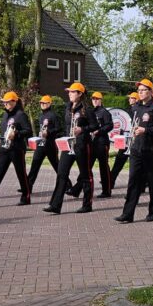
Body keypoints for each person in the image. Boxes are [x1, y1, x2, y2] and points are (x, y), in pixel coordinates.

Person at [117, 79, 153, 223]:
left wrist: (145, 130)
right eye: (139, 90)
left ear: (151, 91)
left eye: (144, 90)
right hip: (136, 149)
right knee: (133, 181)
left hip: (151, 150)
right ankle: (127, 214)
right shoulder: (136, 107)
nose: (140, 92)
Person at [44, 83, 95, 214]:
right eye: (69, 92)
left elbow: (95, 126)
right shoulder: (68, 107)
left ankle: (87, 205)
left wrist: (82, 129)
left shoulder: (87, 109)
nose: (69, 94)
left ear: (80, 94)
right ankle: (55, 205)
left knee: (85, 175)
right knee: (61, 173)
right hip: (68, 144)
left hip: (82, 145)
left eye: (72, 92)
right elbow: (66, 126)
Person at [26, 95, 64, 193]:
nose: (42, 104)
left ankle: (67, 185)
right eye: (41, 103)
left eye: (44, 103)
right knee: (34, 165)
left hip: (50, 145)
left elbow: (59, 128)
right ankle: (27, 187)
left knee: (57, 166)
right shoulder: (41, 116)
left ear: (49, 104)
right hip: (41, 145)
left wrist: (49, 132)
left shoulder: (53, 115)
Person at [109, 91, 139, 187]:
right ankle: (111, 180)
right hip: (127, 140)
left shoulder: (136, 110)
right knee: (120, 161)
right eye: (129, 98)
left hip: (132, 141)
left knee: (123, 162)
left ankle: (111, 181)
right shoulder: (129, 110)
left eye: (132, 98)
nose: (129, 99)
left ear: (136, 100)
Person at [90, 92, 115, 198]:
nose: (95, 101)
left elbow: (110, 125)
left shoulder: (104, 112)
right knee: (87, 166)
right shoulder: (91, 112)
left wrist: (99, 131)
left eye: (97, 99)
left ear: (101, 100)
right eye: (93, 99)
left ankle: (106, 191)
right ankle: (78, 189)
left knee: (103, 167)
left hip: (102, 142)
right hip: (92, 143)